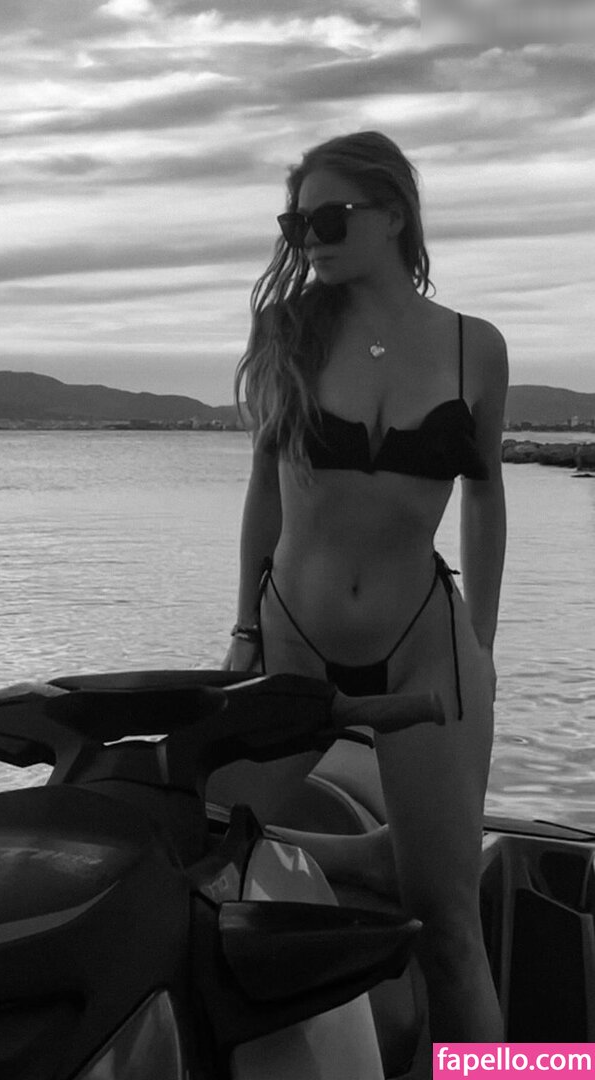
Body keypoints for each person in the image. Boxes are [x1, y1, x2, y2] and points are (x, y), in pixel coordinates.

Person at [223, 130, 508, 1042]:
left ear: (391, 215)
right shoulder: (289, 333)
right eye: (295, 224)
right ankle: (363, 862)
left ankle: (513, 1072)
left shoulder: (473, 347)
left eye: (329, 218)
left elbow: (484, 495)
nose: (308, 239)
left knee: (451, 933)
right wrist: (242, 631)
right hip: (293, 636)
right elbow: (264, 490)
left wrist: (481, 646)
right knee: (194, 832)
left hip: (423, 644)